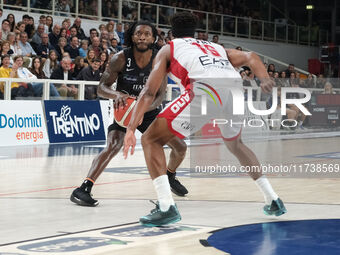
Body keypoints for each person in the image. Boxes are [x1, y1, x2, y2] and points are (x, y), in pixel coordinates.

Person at [123, 12, 287, 226]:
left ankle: (166, 207)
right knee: (236, 144)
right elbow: (251, 57)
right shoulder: (215, 47)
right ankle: (273, 199)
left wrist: (130, 129)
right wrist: (264, 78)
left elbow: (148, 92)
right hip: (235, 91)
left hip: (207, 89)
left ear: (171, 34)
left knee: (151, 140)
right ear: (195, 33)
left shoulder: (168, 48)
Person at [70, 20, 188, 207]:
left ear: (153, 38)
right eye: (138, 33)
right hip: (123, 108)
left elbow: (159, 95)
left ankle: (170, 176)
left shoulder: (160, 59)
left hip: (148, 110)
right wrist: (117, 94)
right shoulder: (120, 58)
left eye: (147, 34)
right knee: (113, 145)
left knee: (180, 147)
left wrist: (141, 110)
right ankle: (83, 189)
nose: (142, 36)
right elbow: (101, 88)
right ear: (132, 36)